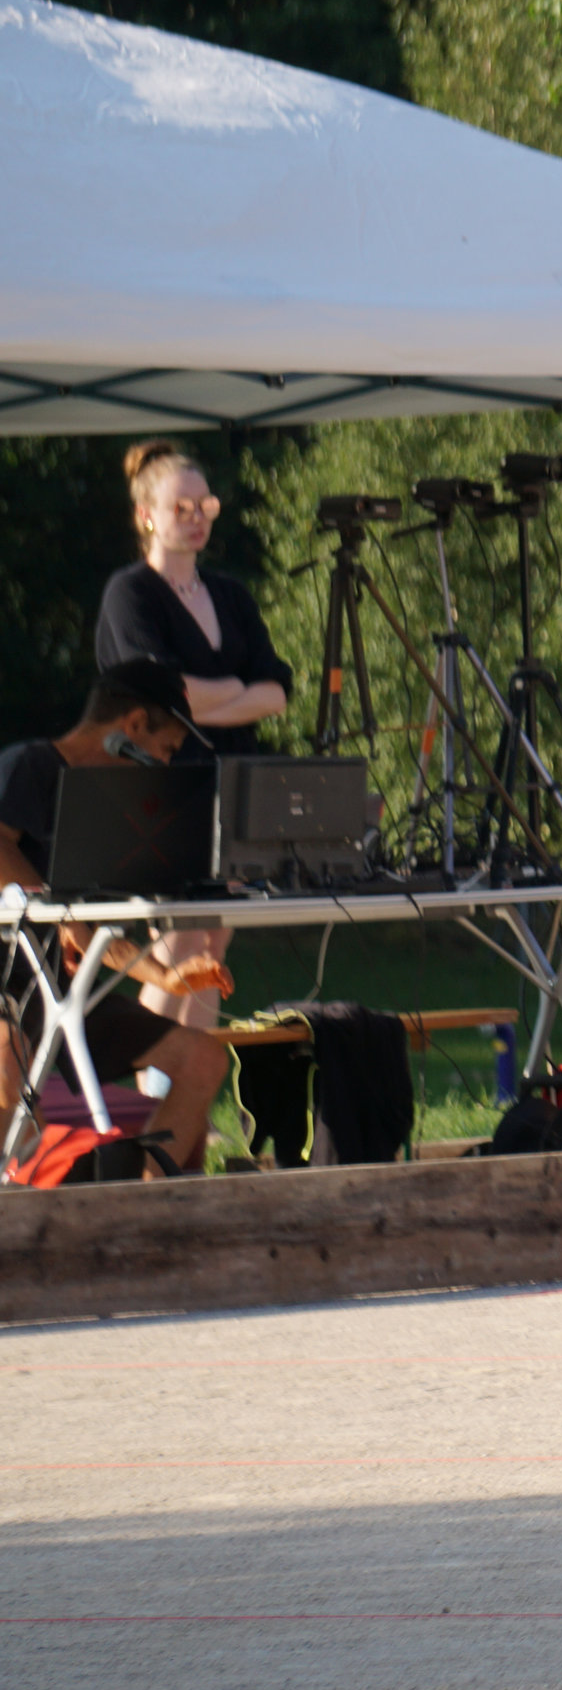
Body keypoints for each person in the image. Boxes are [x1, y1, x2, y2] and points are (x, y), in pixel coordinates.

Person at [0, 663, 236, 1174]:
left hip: (59, 996)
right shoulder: (30, 766)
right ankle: (26, 1208)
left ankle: (144, 1206)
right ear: (132, 727)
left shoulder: (108, 805)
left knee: (204, 1059)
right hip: (8, 992)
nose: (163, 766)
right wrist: (55, 911)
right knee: (6, 1061)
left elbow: (94, 930)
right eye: (165, 750)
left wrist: (164, 976)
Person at [94, 441, 289, 1028]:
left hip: (234, 787)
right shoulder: (130, 593)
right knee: (179, 942)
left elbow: (277, 692)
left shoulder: (230, 594)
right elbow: (160, 694)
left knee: (213, 944)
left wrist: (205, 697)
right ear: (146, 515)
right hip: (161, 787)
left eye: (205, 504)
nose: (197, 516)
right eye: (181, 507)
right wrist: (235, 690)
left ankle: (187, 1084)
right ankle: (151, 1079)